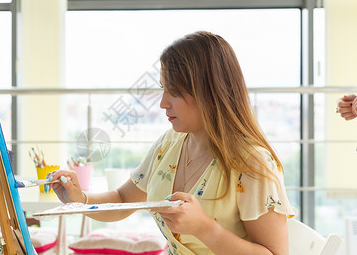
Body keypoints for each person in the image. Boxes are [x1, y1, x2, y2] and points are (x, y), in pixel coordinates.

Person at [46, 31, 295, 255]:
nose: (163, 103)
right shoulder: (170, 142)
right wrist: (79, 199)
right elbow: (123, 199)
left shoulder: (252, 162)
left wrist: (204, 228)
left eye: (174, 92)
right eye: (163, 88)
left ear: (209, 92)